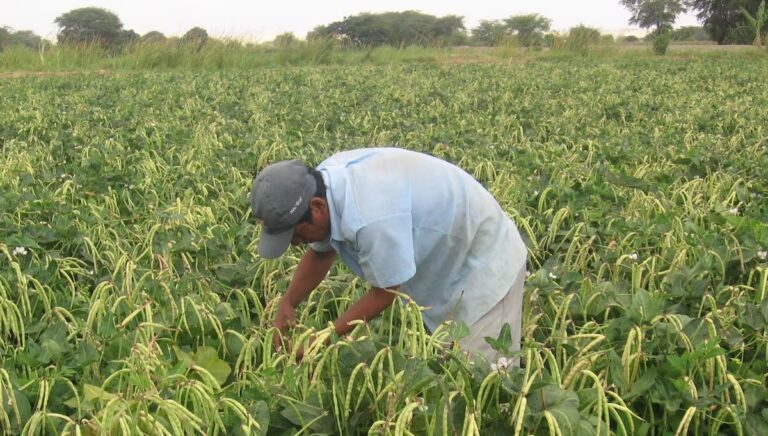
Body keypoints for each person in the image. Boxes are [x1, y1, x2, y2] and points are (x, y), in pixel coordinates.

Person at [250, 147, 527, 363]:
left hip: (483, 262)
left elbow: (385, 292)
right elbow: (320, 253)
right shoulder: (323, 183)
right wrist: (289, 302)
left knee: (483, 377)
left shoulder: (370, 216)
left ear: (317, 206)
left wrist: (324, 337)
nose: (297, 244)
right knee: (452, 363)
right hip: (446, 261)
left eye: (296, 235)